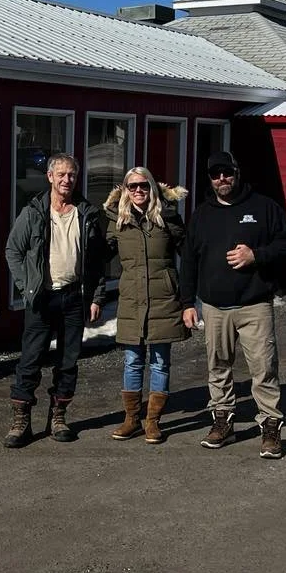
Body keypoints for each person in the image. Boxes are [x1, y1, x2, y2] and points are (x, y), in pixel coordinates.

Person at [180, 151, 286, 458]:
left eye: (227, 173)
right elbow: (189, 261)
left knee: (263, 368)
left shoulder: (263, 207)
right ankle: (223, 422)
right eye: (216, 174)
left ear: (237, 172)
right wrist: (187, 302)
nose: (222, 179)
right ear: (210, 178)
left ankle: (270, 428)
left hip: (254, 305)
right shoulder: (202, 215)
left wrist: (255, 255)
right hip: (215, 308)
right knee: (217, 368)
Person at [3, 153, 107, 447]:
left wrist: (96, 296)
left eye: (71, 175)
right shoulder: (34, 212)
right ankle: (20, 421)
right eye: (60, 174)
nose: (66, 180)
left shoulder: (87, 213)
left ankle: (58, 417)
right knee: (30, 360)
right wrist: (27, 287)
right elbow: (13, 250)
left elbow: (97, 262)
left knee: (68, 361)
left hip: (74, 297)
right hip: (42, 299)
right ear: (49, 177)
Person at [103, 167, 190, 444]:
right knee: (132, 361)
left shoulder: (169, 217)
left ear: (152, 187)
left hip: (164, 299)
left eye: (143, 185)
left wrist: (189, 297)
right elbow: (99, 257)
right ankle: (131, 419)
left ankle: (153, 421)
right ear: (125, 190)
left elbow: (189, 256)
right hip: (131, 299)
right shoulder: (117, 220)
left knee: (161, 362)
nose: (138, 191)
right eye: (132, 186)